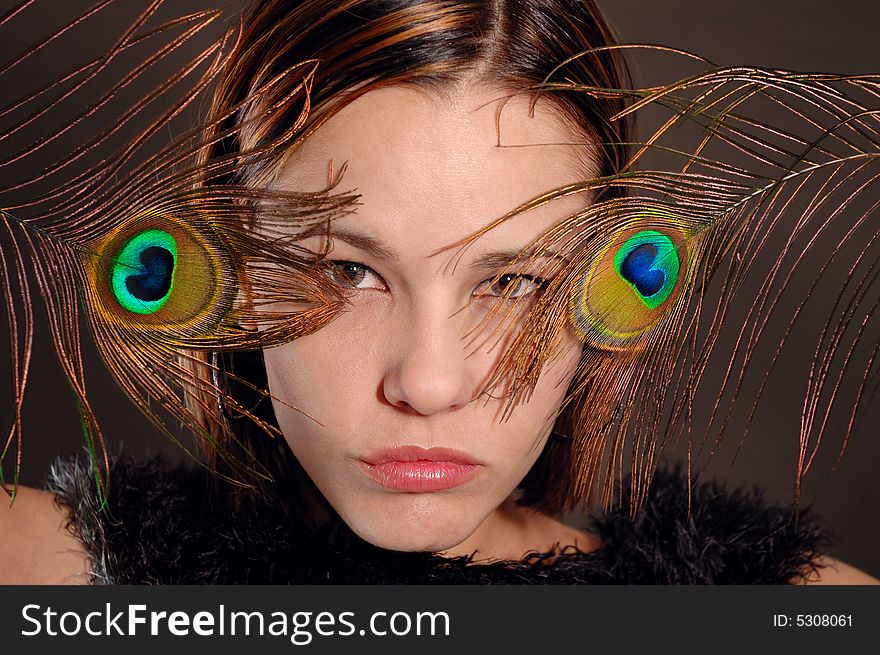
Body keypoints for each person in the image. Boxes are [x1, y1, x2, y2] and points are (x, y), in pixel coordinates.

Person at [0, 0, 877, 584]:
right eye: (348, 271)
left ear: (609, 290)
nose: (428, 384)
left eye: (512, 281)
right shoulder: (42, 570)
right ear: (224, 265)